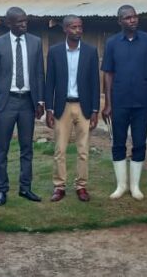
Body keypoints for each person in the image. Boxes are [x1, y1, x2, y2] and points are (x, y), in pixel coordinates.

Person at [0, 7, 45, 205]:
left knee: (26, 148)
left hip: (28, 103)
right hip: (8, 102)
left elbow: (39, 73)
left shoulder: (35, 42)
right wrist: (3, 92)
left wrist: (40, 101)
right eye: (19, 22)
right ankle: (2, 190)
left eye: (25, 21)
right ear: (8, 23)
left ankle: (25, 188)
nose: (23, 25)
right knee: (2, 148)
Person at [101, 5, 147, 200]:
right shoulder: (111, 43)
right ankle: (121, 185)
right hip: (119, 102)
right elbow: (108, 74)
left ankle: (135, 187)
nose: (132, 20)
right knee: (118, 143)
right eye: (127, 18)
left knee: (139, 142)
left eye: (135, 17)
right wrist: (108, 103)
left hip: (142, 102)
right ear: (120, 21)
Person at [45, 15, 100, 202]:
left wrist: (95, 110)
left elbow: (95, 83)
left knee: (83, 149)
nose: (78, 30)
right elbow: (49, 81)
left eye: (80, 27)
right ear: (65, 29)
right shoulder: (54, 52)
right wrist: (49, 109)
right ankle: (59, 186)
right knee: (60, 149)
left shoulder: (91, 51)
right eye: (74, 27)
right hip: (62, 106)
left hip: (84, 107)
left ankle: (81, 186)